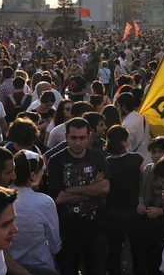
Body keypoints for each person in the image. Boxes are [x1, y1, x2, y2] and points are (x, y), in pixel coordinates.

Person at [47, 118, 110, 275]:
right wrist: (92, 188)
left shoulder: (96, 156)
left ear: (89, 136)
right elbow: (58, 198)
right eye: (73, 138)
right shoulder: (56, 160)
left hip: (95, 228)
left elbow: (105, 187)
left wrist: (70, 189)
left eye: (82, 138)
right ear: (66, 136)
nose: (77, 142)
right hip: (68, 230)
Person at [8, 150, 61, 275]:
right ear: (33, 175)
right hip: (41, 266)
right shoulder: (45, 202)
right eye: (41, 170)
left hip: (9, 267)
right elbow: (55, 245)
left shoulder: (0, 198)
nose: (43, 173)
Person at [105, 125, 146, 275]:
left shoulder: (105, 162)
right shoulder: (136, 159)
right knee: (137, 249)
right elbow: (149, 176)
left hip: (112, 212)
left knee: (114, 250)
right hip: (134, 211)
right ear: (123, 142)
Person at [137, 136, 164, 274]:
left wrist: (161, 211)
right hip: (149, 219)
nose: (157, 155)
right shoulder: (148, 169)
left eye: (160, 151)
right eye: (153, 152)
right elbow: (142, 192)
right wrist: (140, 204)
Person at [118, 92, 151, 162]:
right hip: (149, 157)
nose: (118, 109)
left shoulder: (126, 124)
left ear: (123, 107)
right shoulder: (143, 117)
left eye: (118, 106)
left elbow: (127, 148)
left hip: (136, 162)